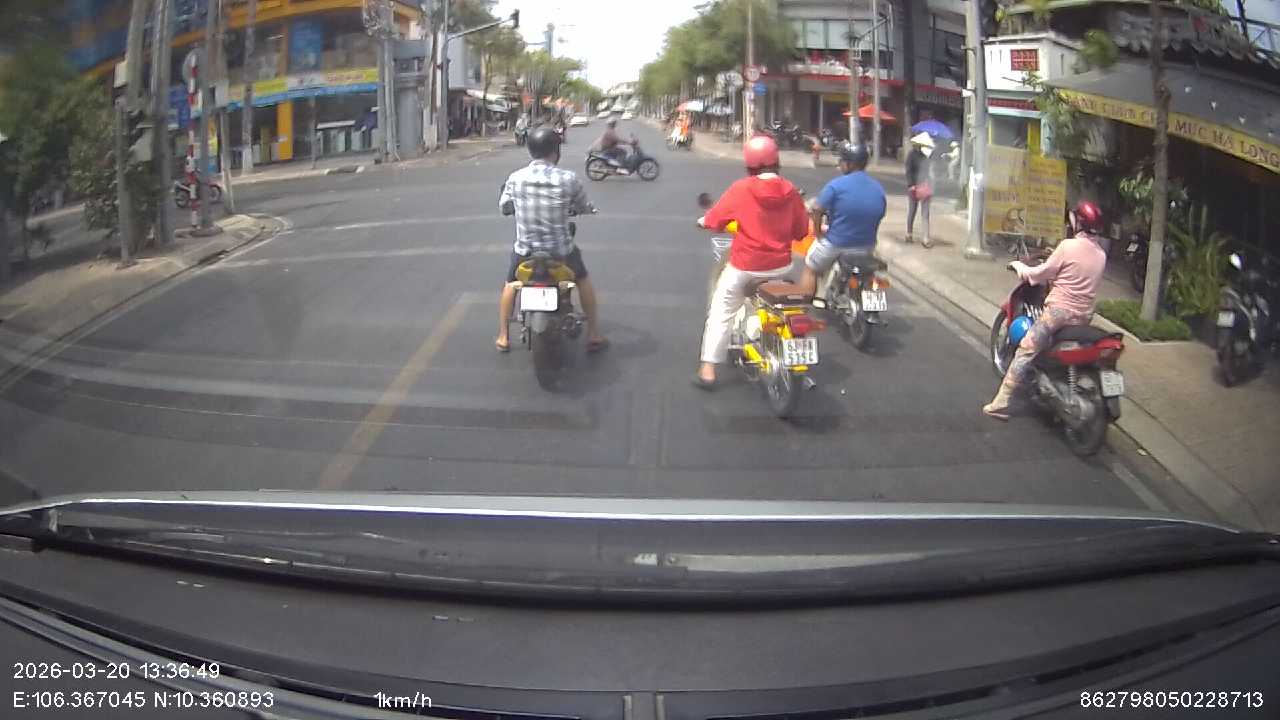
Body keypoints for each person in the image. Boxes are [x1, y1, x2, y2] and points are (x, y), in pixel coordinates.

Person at [693, 135, 810, 389]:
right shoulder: (790, 191)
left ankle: (708, 369)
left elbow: (715, 219)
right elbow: (801, 230)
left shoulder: (742, 188)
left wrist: (704, 221)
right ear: (777, 162)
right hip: (781, 266)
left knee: (722, 309)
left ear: (750, 164)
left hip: (745, 267)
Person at [983, 200, 1109, 420]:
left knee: (1027, 348)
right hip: (1083, 316)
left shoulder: (1068, 246)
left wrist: (1020, 267)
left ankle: (1001, 401)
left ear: (1079, 222)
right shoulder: (1101, 254)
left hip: (1058, 314)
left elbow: (1040, 274)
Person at [495, 127, 608, 354]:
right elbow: (582, 206)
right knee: (582, 278)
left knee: (510, 283)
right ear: (556, 152)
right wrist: (587, 210)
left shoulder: (515, 178)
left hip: (526, 252)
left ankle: (503, 336)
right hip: (561, 253)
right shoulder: (568, 179)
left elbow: (505, 207)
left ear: (530, 151)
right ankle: (594, 334)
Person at [797, 142, 886, 298]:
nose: (840, 164)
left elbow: (817, 209)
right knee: (871, 275)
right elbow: (880, 213)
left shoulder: (836, 185)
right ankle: (872, 302)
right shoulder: (877, 188)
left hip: (836, 243)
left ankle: (803, 305)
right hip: (867, 246)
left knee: (810, 268)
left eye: (842, 160)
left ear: (849, 164)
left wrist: (818, 234)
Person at [905, 132, 935, 247]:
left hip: (924, 186)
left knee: (925, 213)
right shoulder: (911, 155)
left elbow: (929, 171)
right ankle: (909, 233)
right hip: (914, 186)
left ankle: (925, 238)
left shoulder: (925, 155)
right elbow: (908, 171)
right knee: (912, 211)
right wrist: (911, 185)